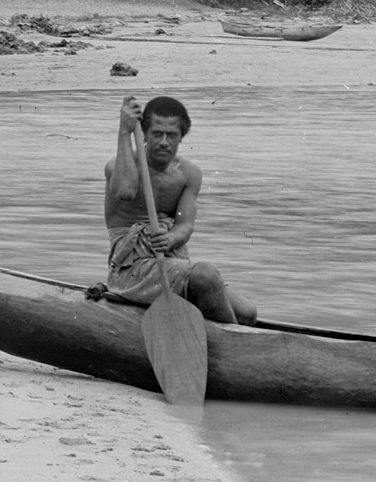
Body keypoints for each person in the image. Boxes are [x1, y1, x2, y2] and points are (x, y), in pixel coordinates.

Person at [97, 93, 257, 324]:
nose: (164, 141)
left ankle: (217, 338)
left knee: (247, 312)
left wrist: (170, 239)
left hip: (170, 259)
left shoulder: (189, 173)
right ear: (144, 134)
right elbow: (125, 191)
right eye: (157, 134)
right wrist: (124, 131)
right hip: (131, 268)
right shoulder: (120, 165)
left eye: (171, 135)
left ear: (182, 137)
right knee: (205, 275)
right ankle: (236, 349)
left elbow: (185, 225)